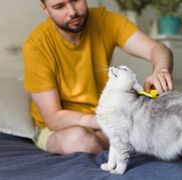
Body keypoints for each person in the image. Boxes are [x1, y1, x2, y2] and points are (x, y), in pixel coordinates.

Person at [22, 0, 174, 155]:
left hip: (104, 115)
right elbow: (53, 118)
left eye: (76, 0)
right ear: (45, 9)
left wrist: (161, 70)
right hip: (60, 128)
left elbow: (157, 48)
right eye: (59, 6)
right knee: (82, 140)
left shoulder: (105, 20)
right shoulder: (36, 46)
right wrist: (106, 121)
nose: (72, 11)